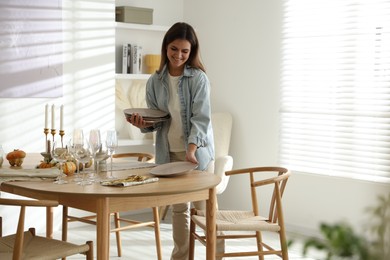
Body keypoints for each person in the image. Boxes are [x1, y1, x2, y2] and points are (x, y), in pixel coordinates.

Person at [127, 22, 218, 260]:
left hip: (197, 153)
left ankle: (215, 256)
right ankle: (181, 257)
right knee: (180, 210)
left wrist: (191, 151)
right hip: (169, 153)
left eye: (184, 51)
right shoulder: (154, 81)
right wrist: (142, 123)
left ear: (191, 52)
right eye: (174, 49)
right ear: (165, 48)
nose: (178, 55)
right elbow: (158, 121)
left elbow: (201, 119)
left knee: (206, 209)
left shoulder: (198, 79)